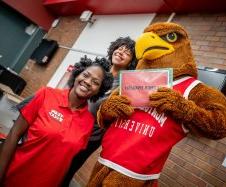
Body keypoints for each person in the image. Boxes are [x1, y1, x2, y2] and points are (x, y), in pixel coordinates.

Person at [6, 37, 137, 186]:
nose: (121, 51)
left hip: (89, 133)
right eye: (120, 47)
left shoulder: (125, 85)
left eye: (127, 52)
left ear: (132, 61)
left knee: (64, 168)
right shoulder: (97, 69)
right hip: (63, 117)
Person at [0, 56, 113, 186]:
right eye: (86, 75)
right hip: (14, 178)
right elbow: (14, 134)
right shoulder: (46, 94)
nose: (88, 82)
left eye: (95, 82)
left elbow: (65, 161)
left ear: (99, 91)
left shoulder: (88, 123)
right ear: (77, 74)